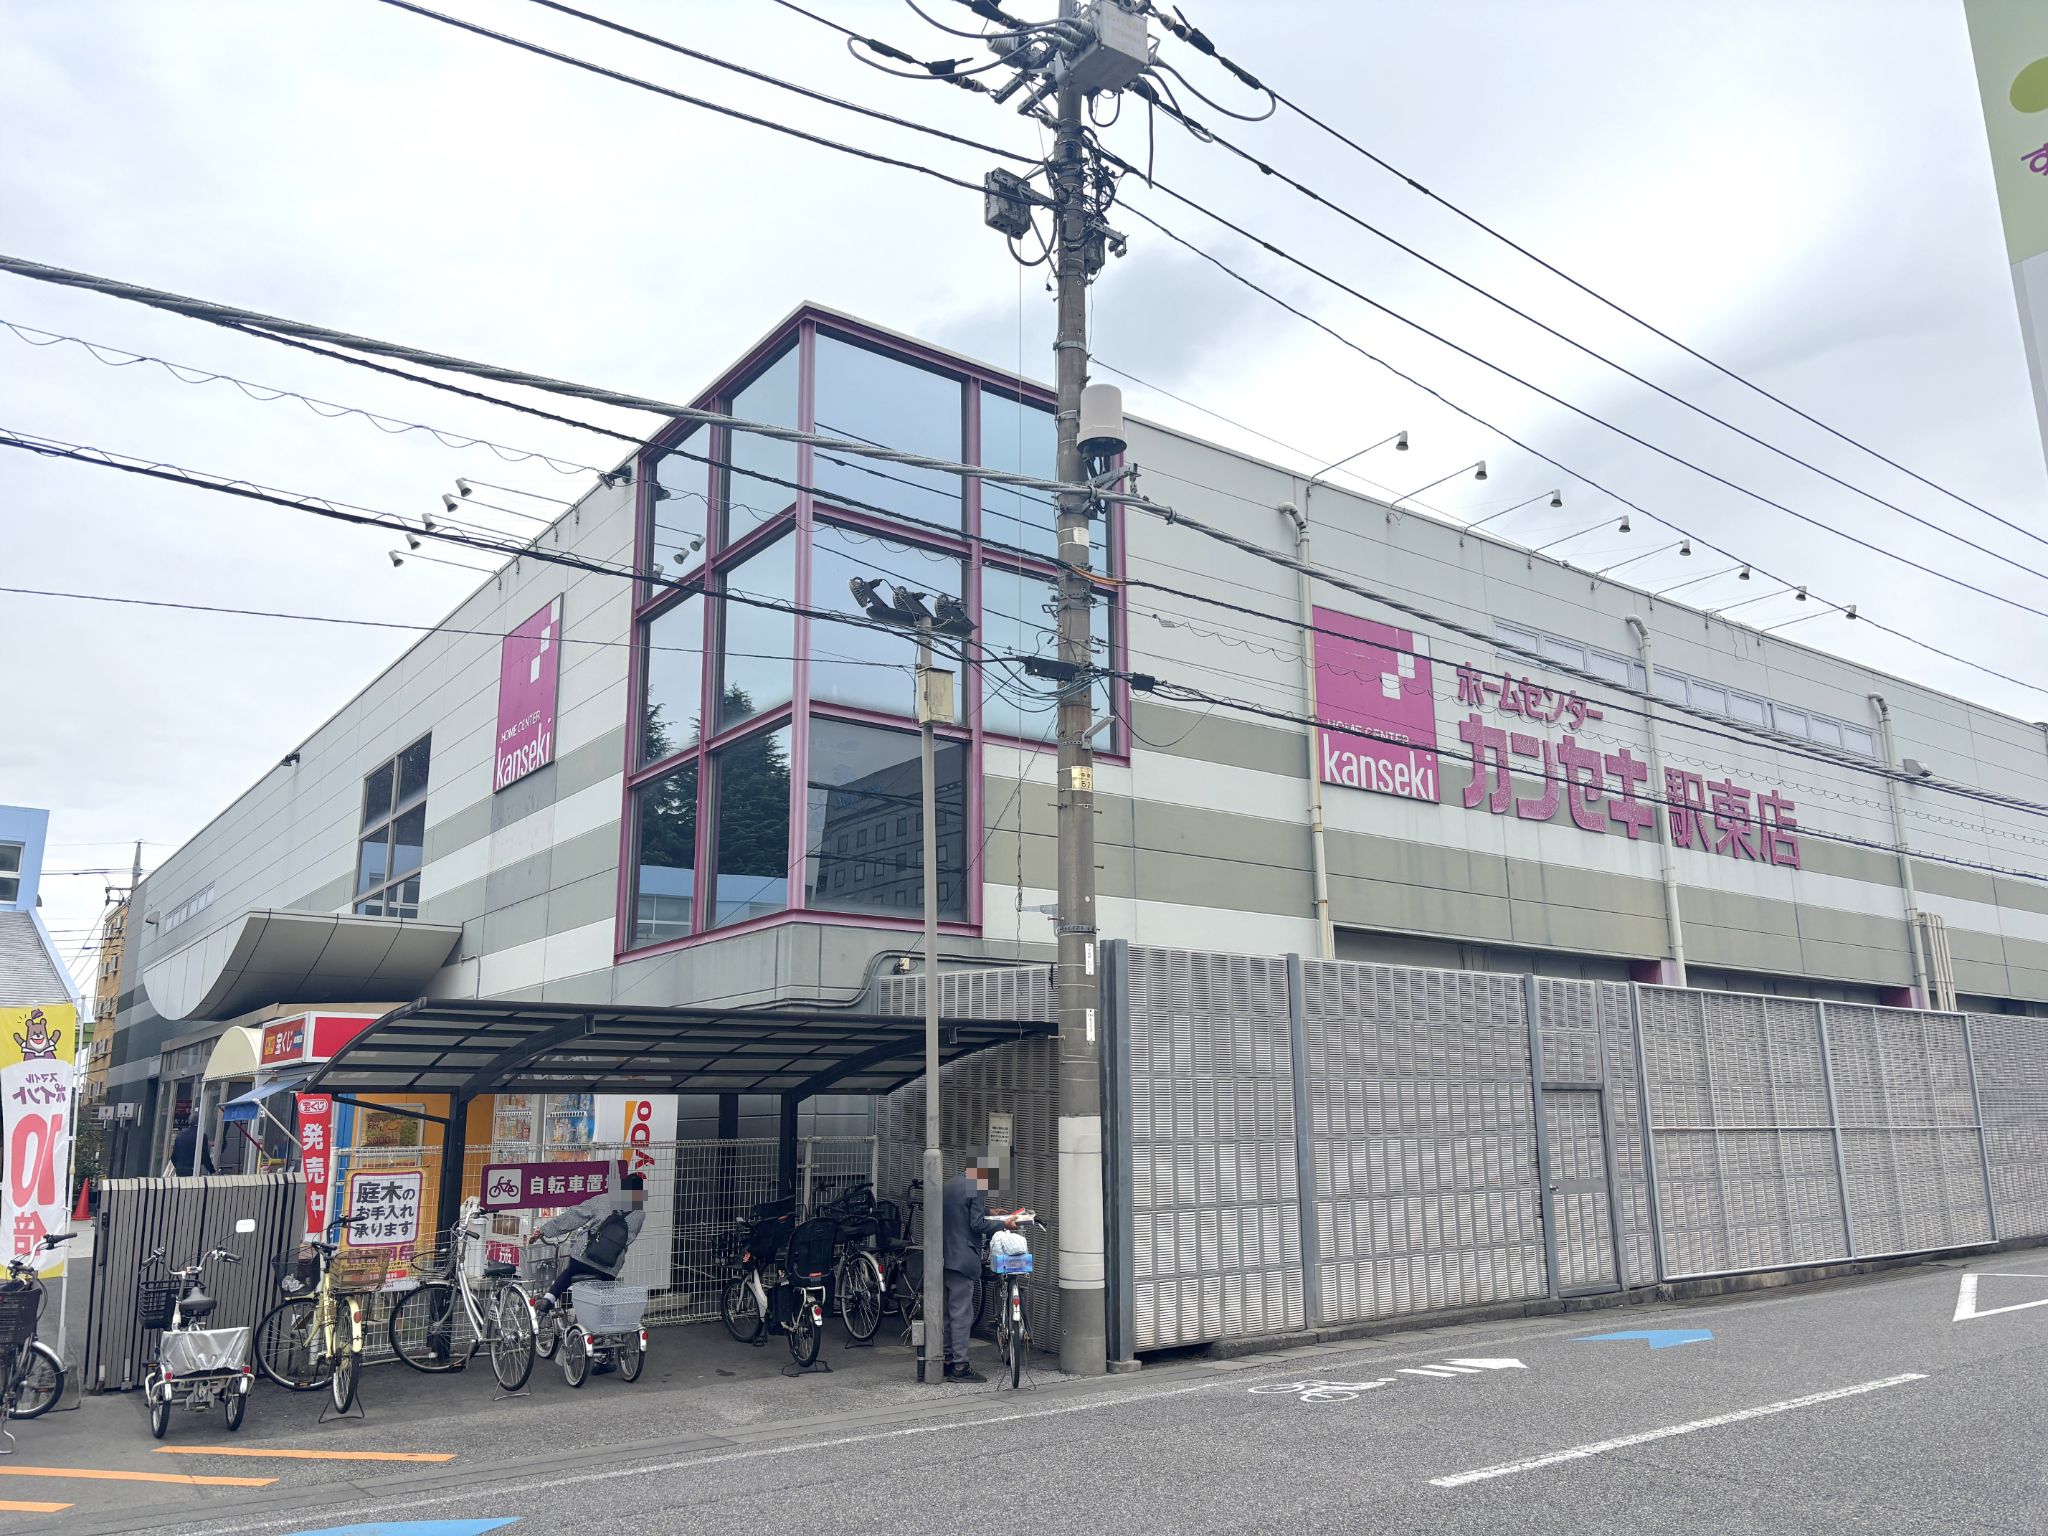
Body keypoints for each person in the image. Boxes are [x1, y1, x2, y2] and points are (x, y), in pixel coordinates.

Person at [941, 1154, 1017, 1383]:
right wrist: (1003, 1222)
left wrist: (989, 1212)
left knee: (947, 1313)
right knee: (962, 1314)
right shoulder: (976, 1189)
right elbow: (977, 1225)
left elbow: (961, 1216)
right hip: (963, 1258)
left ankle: (946, 1359)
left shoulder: (951, 1184)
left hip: (943, 1257)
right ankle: (961, 1366)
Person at [534, 1171, 645, 1313]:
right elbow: (629, 1239)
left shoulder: (604, 1200)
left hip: (584, 1257)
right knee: (605, 1294)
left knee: (569, 1273)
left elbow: (574, 1215)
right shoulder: (640, 1214)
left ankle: (548, 1299)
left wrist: (545, 1230)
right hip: (610, 1266)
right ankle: (603, 1320)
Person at [167, 1113, 213, 1178]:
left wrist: (179, 1166)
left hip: (180, 1171)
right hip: (192, 1171)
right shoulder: (201, 1136)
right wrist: (212, 1171)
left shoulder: (180, 1135)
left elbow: (173, 1156)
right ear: (200, 1122)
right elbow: (205, 1157)